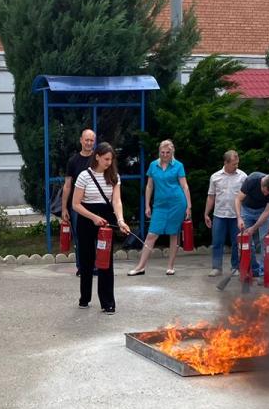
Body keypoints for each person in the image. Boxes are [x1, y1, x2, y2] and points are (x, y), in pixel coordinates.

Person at [71, 141, 131, 314]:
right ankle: (85, 297)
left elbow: (117, 201)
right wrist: (93, 217)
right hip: (86, 218)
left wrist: (120, 220)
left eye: (110, 160)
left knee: (106, 261)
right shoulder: (84, 176)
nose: (108, 163)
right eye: (105, 159)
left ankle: (108, 303)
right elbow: (75, 204)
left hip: (106, 219)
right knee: (87, 259)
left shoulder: (113, 177)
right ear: (96, 157)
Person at [129, 139, 191, 276]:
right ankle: (140, 266)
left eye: (167, 152)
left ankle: (170, 266)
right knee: (152, 234)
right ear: (159, 152)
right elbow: (149, 186)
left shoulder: (178, 166)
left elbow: (184, 186)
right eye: (162, 152)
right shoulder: (153, 165)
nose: (165, 155)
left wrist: (189, 206)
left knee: (174, 233)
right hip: (159, 205)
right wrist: (147, 205)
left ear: (172, 152)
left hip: (177, 203)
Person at [203, 150, 247, 277]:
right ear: (226, 163)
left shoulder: (243, 177)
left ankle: (235, 267)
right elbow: (211, 197)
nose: (236, 166)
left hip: (236, 216)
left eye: (237, 163)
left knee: (236, 242)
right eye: (234, 164)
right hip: (219, 215)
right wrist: (206, 213)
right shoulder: (215, 177)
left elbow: (247, 197)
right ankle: (217, 267)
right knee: (217, 242)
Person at [60, 128, 97, 274]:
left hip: (95, 204)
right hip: (77, 205)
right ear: (81, 140)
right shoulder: (73, 161)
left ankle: (94, 265)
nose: (88, 143)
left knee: (94, 236)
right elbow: (67, 185)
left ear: (94, 142)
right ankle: (81, 267)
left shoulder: (98, 159)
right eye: (86, 140)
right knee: (79, 237)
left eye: (91, 140)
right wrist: (64, 208)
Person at [235, 172, 269, 278]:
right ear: (261, 183)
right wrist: (239, 218)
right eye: (264, 191)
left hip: (263, 212)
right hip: (246, 210)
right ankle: (253, 269)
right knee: (246, 242)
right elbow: (238, 199)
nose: (265, 195)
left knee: (266, 241)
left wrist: (254, 228)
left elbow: (267, 212)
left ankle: (264, 270)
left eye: (268, 193)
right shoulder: (252, 180)